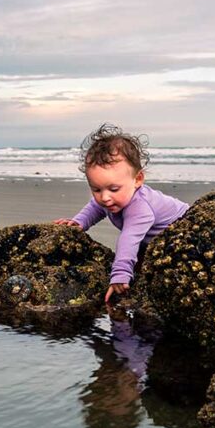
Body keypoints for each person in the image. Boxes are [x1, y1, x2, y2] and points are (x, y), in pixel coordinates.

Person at [54, 124, 188, 303]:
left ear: (137, 180)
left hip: (182, 231)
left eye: (114, 189)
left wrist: (120, 274)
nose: (105, 197)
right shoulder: (109, 198)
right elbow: (94, 208)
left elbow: (129, 238)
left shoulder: (140, 206)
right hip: (151, 241)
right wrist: (79, 223)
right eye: (96, 189)